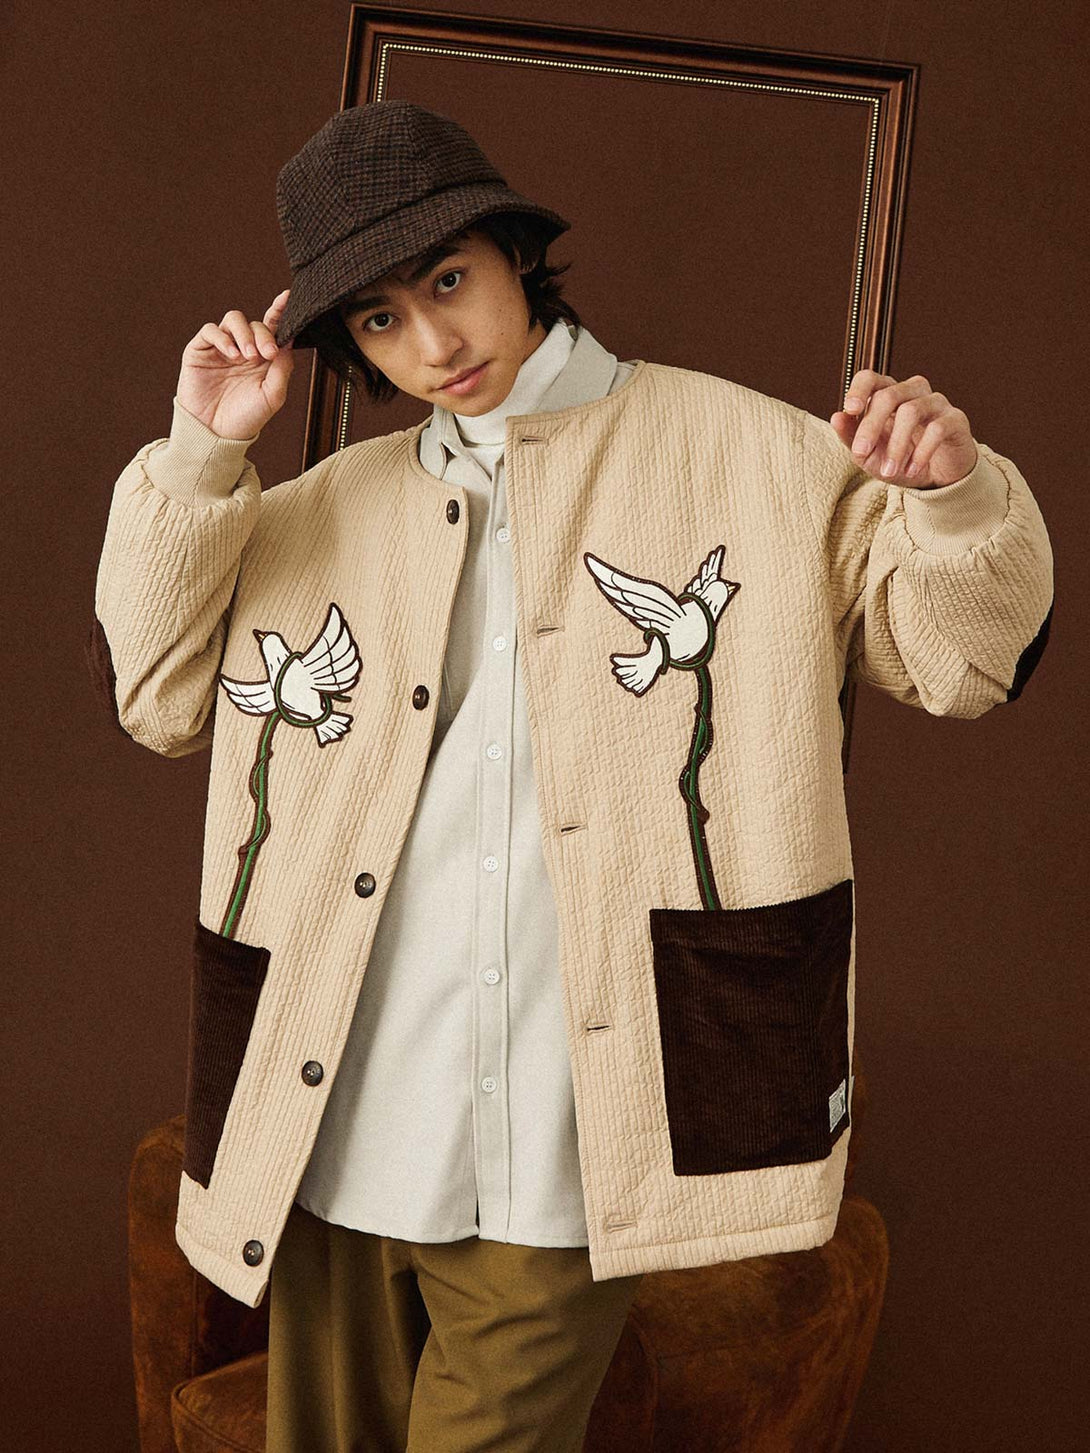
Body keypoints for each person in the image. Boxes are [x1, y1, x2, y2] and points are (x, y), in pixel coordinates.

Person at [90, 101, 1054, 1452]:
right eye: (379, 319)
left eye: (447, 281)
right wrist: (205, 449)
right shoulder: (315, 511)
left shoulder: (762, 458)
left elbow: (965, 662)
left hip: (568, 1134)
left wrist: (952, 497)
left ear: (513, 256)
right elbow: (157, 691)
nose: (432, 345)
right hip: (338, 1107)